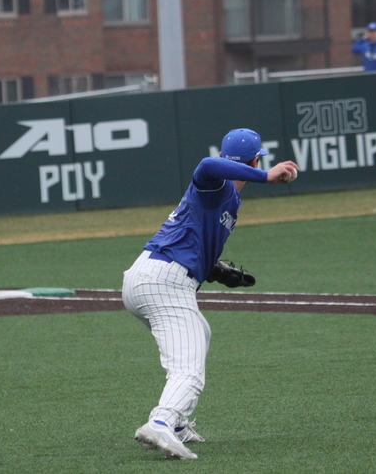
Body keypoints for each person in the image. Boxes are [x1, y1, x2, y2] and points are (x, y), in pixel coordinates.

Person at [122, 128, 299, 460]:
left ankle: (177, 424)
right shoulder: (214, 182)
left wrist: (213, 269)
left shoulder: (226, 197)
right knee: (188, 369)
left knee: (198, 334)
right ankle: (161, 421)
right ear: (256, 159)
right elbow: (206, 165)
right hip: (164, 280)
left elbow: (193, 235)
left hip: (146, 277)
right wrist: (265, 176)